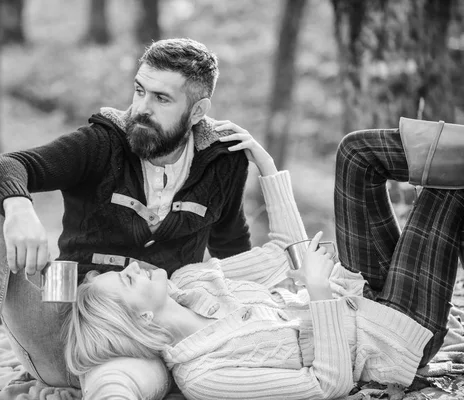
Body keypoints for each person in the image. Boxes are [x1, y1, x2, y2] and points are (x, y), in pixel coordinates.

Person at [0, 38, 253, 400]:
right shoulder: (102, 142)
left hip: (143, 343)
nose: (141, 108)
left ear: (198, 111)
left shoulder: (224, 161)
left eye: (161, 99)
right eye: (139, 90)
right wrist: (19, 207)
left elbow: (235, 253)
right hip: (62, 310)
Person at [65, 118, 464, 399]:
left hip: (360, 288)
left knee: (356, 153)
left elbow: (283, 254)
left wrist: (266, 167)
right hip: (393, 336)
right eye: (128, 280)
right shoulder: (205, 376)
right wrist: (319, 291)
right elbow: (327, 383)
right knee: (445, 188)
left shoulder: (189, 281)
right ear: (143, 320)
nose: (134, 265)